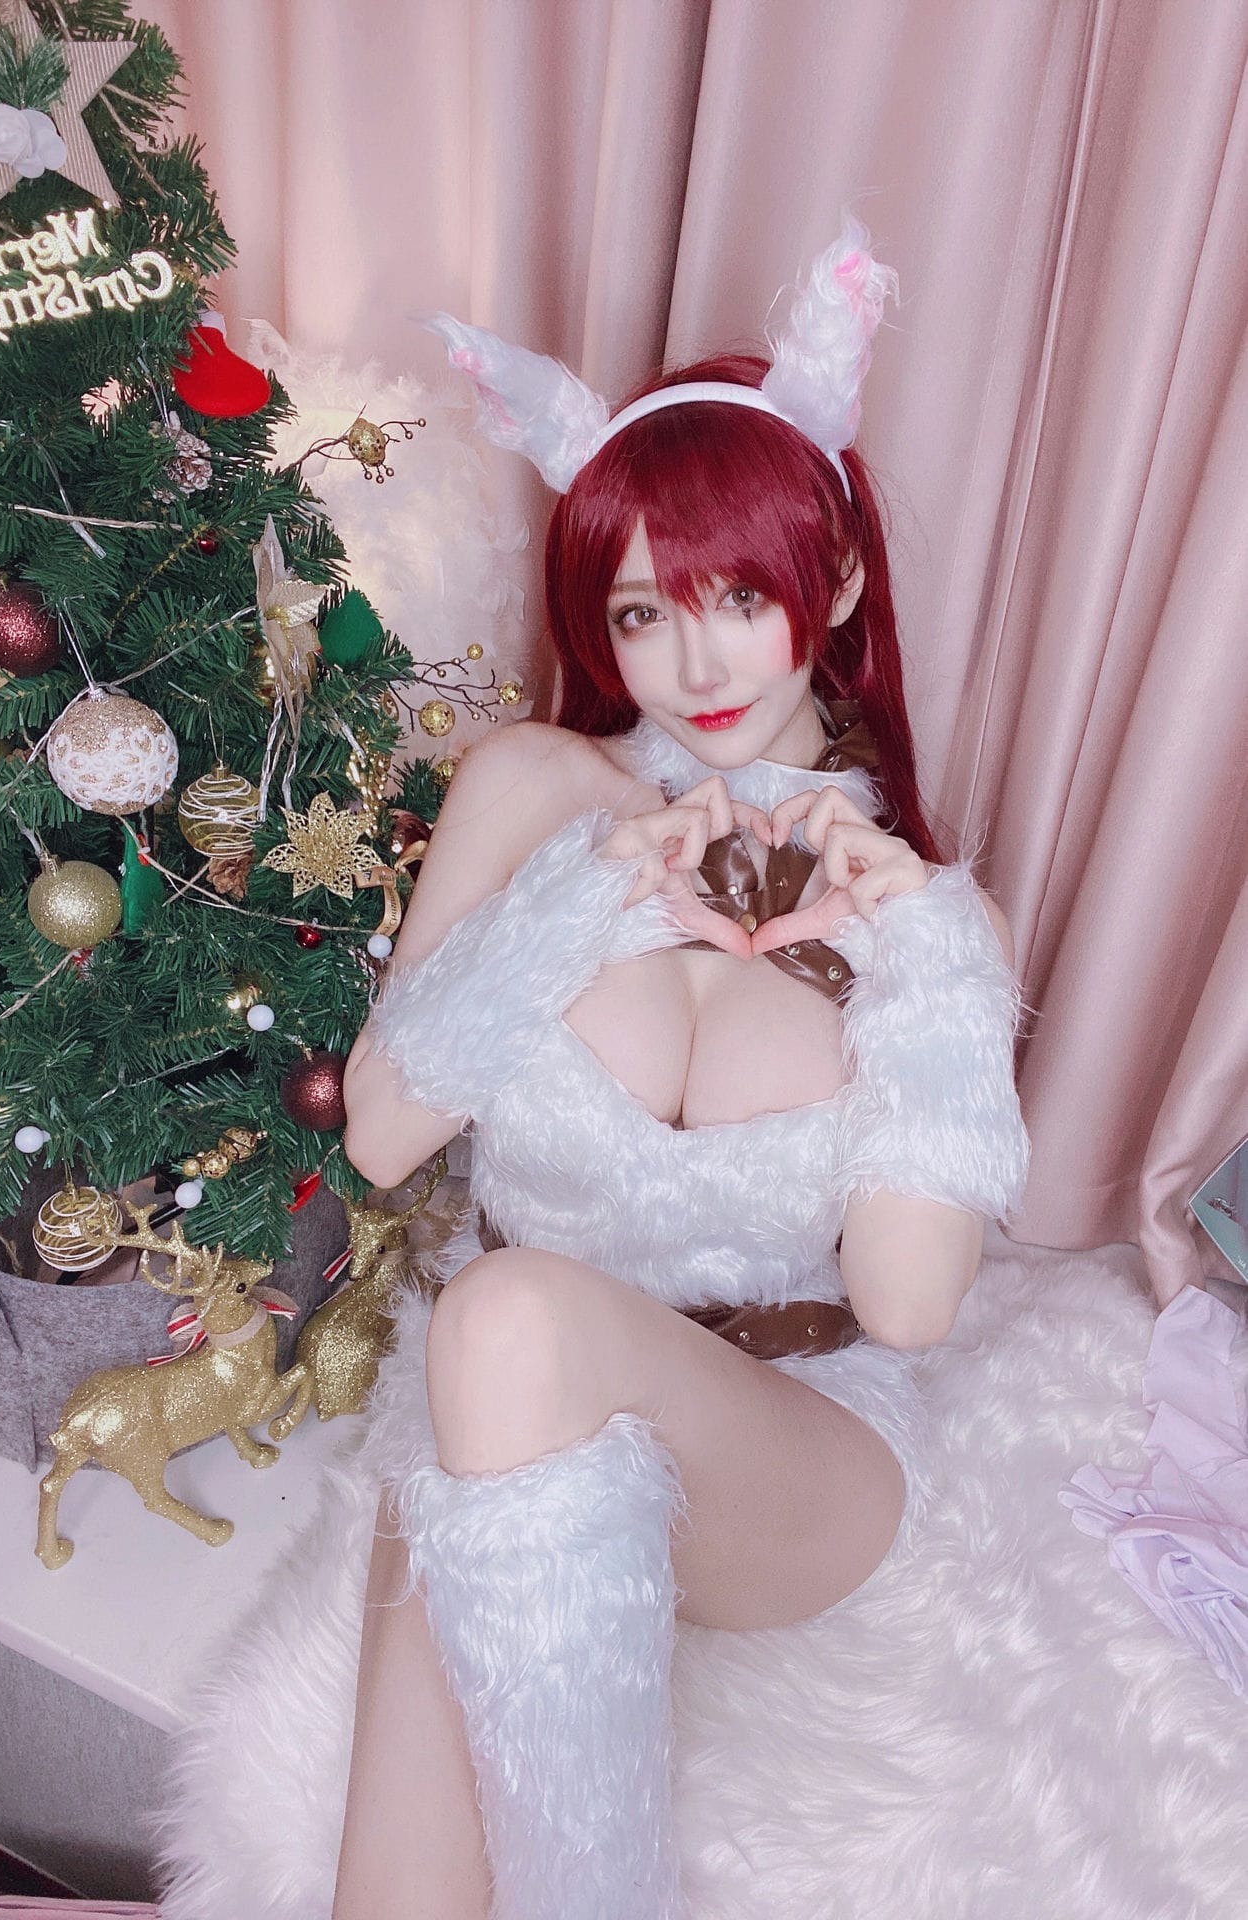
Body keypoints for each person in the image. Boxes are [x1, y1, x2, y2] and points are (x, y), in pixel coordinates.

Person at [331, 213, 1030, 1920]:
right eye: (641, 610)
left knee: (504, 1326)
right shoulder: (536, 795)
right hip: (513, 1426)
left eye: (738, 596)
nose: (692, 665)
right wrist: (579, 900)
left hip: (785, 1459)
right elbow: (381, 1136)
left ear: (834, 584)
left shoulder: (911, 907)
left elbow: (910, 1305)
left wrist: (931, 960)